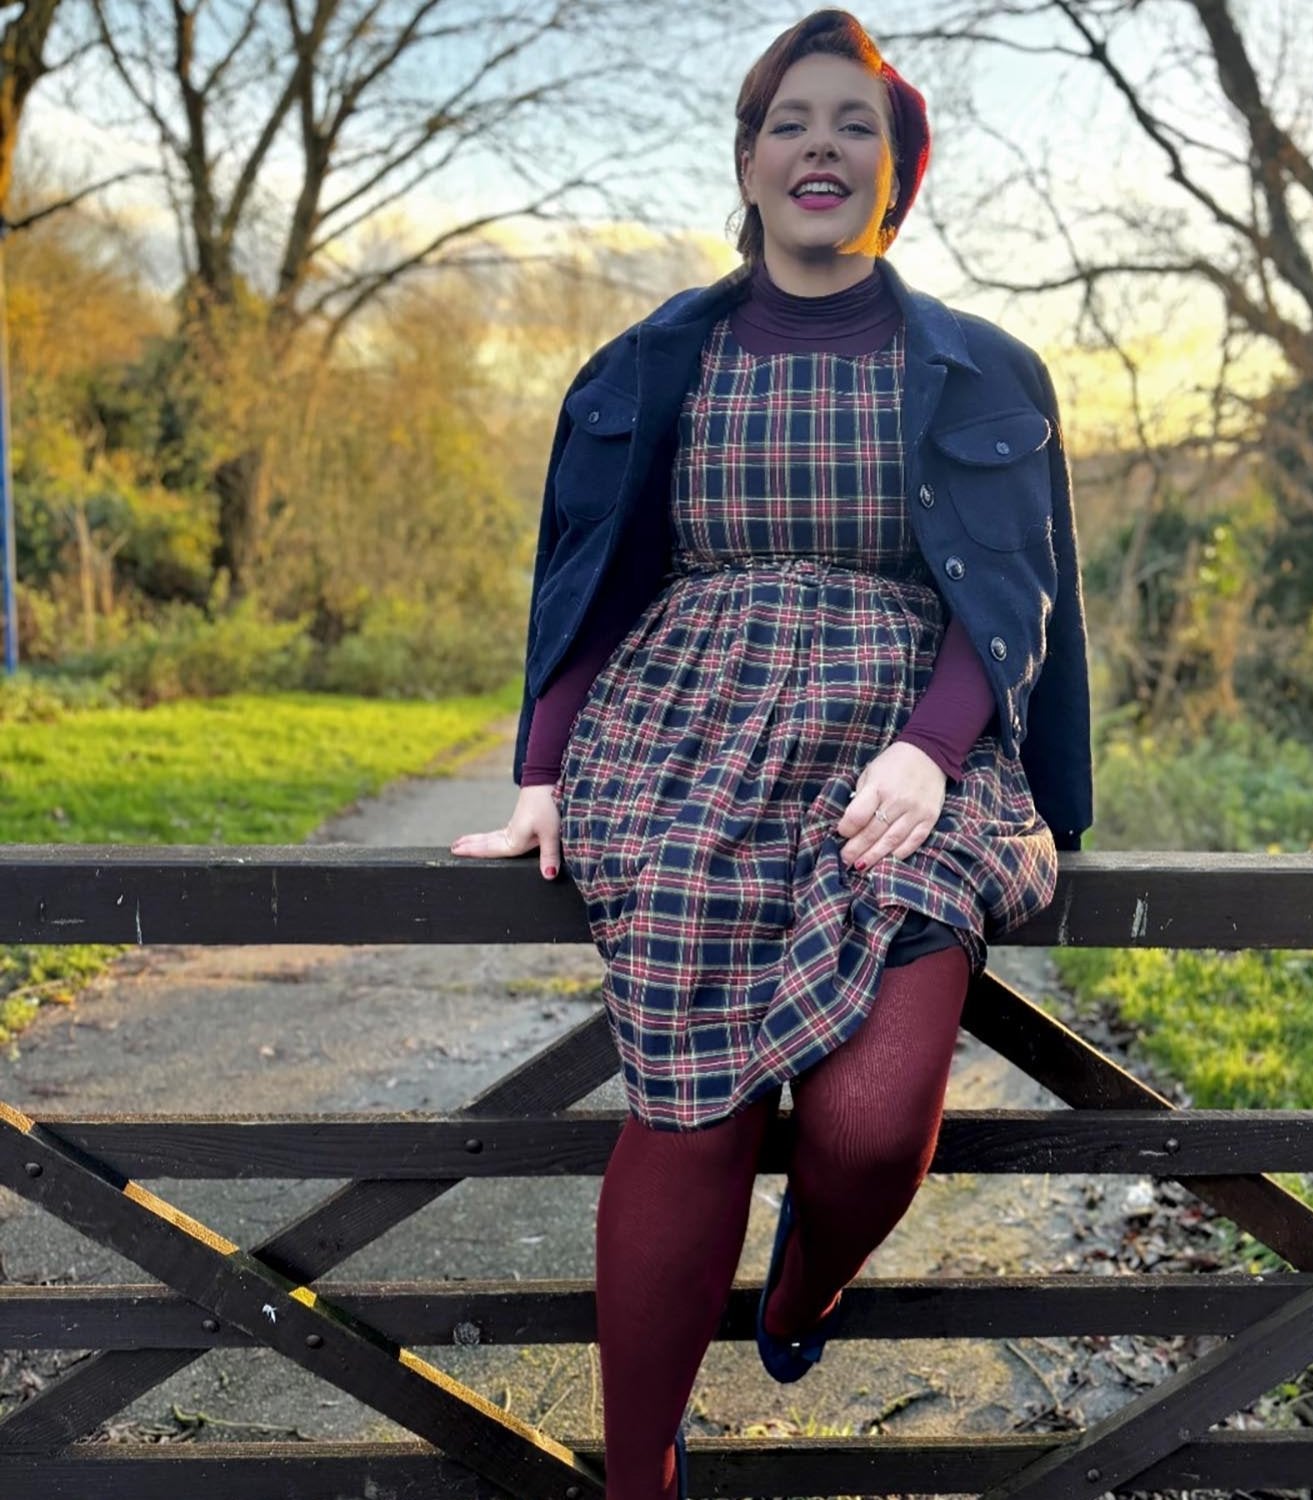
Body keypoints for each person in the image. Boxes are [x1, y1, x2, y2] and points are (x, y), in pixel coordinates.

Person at [450, 9, 1091, 1495]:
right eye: (790, 121)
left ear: (897, 171)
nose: (821, 146)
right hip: (689, 742)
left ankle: (803, 1286)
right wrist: (541, 771)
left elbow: (1012, 596)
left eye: (855, 125)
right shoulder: (646, 362)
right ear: (747, 161)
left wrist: (933, 750)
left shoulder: (985, 370)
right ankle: (640, 1476)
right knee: (689, 1112)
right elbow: (591, 577)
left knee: (867, 1131)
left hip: (907, 756)